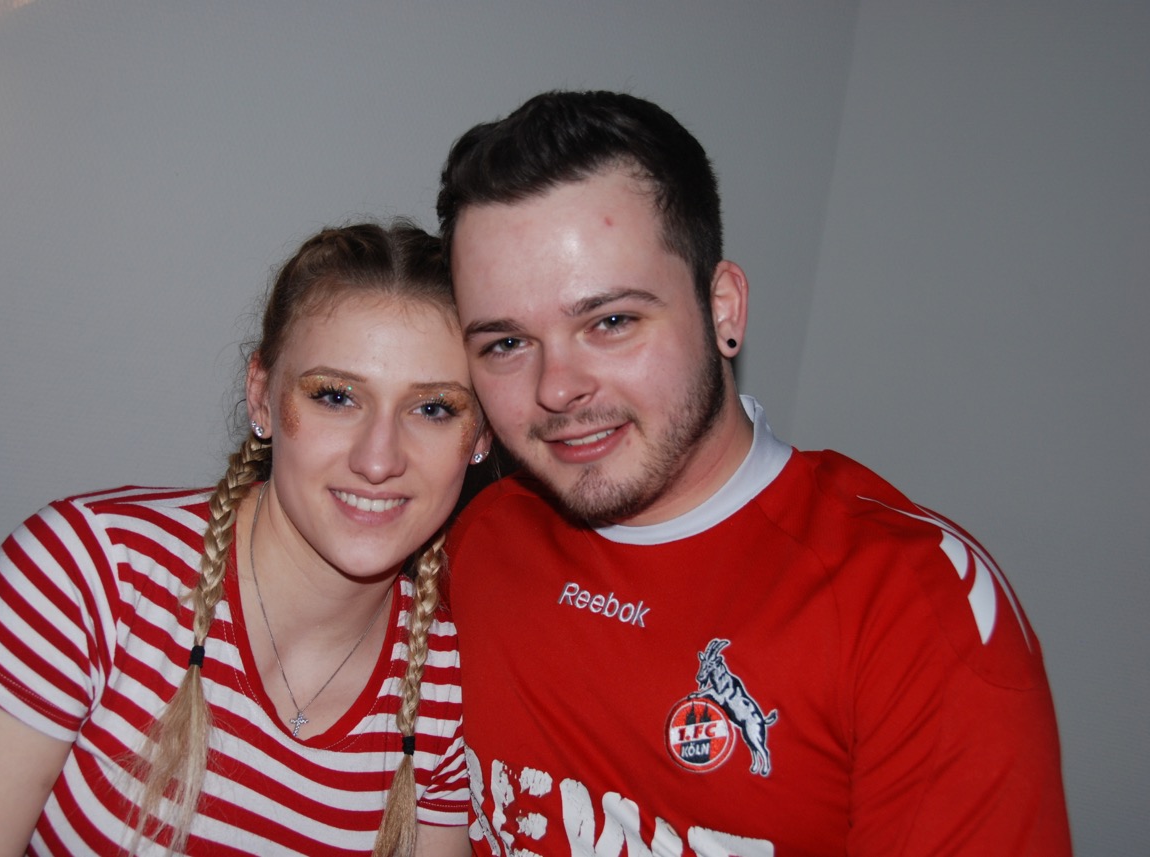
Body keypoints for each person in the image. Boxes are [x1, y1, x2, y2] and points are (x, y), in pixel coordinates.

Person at [436, 90, 1071, 856]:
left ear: (723, 308)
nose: (557, 388)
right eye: (506, 344)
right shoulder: (475, 536)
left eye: (611, 321)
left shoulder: (910, 607)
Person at [0, 222, 489, 856]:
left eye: (434, 409)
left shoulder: (445, 683)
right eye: (335, 396)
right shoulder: (87, 577)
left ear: (481, 435)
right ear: (261, 397)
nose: (379, 459)